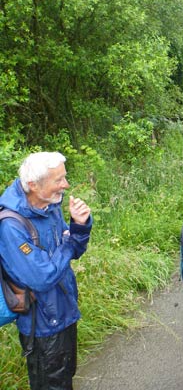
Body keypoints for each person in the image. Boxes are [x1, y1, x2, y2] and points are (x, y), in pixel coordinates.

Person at [0, 152, 92, 389]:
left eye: (65, 177)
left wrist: (79, 226)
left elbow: (74, 250)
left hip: (66, 309)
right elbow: (43, 276)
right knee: (50, 384)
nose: (66, 185)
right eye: (58, 180)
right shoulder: (10, 225)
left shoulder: (50, 206)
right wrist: (68, 243)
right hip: (42, 324)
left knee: (66, 376)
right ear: (33, 185)